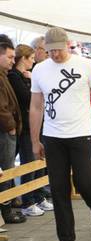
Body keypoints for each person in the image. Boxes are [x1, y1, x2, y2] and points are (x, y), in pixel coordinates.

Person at [29, 27, 91, 241]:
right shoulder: (39, 70)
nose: (54, 55)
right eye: (49, 51)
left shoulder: (87, 65)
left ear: (67, 45)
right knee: (59, 190)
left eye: (58, 49)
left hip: (81, 135)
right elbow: (36, 107)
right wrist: (35, 141)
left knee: (86, 184)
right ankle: (66, 240)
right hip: (53, 137)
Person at [8, 44, 54, 217]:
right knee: (29, 163)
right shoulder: (14, 76)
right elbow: (29, 98)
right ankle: (28, 201)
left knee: (40, 163)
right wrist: (30, 80)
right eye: (31, 59)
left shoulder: (26, 76)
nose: (33, 62)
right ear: (24, 58)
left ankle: (38, 195)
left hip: (37, 125)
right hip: (26, 128)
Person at [0, 35, 26, 224]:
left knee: (7, 169)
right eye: (9, 57)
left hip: (8, 130)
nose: (12, 60)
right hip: (5, 131)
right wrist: (10, 127)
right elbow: (2, 107)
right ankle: (6, 210)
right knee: (6, 170)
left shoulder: (4, 75)